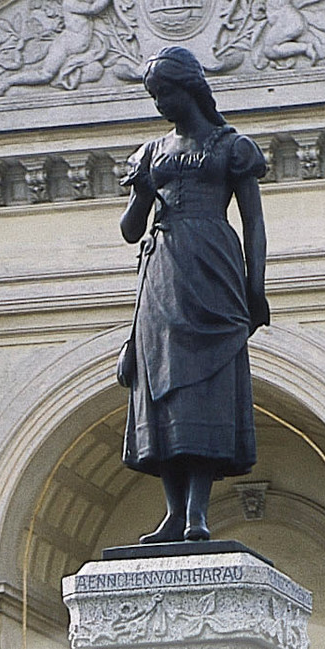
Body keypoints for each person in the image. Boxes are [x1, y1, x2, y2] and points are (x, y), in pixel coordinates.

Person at [117, 46, 269, 543]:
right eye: (154, 96)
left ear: (192, 89)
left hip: (213, 268)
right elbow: (128, 230)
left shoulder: (233, 147)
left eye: (166, 93)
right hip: (162, 273)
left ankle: (197, 513)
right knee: (162, 384)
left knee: (205, 386)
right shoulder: (149, 154)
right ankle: (173, 513)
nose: (161, 104)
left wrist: (256, 289)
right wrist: (141, 191)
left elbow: (253, 223)